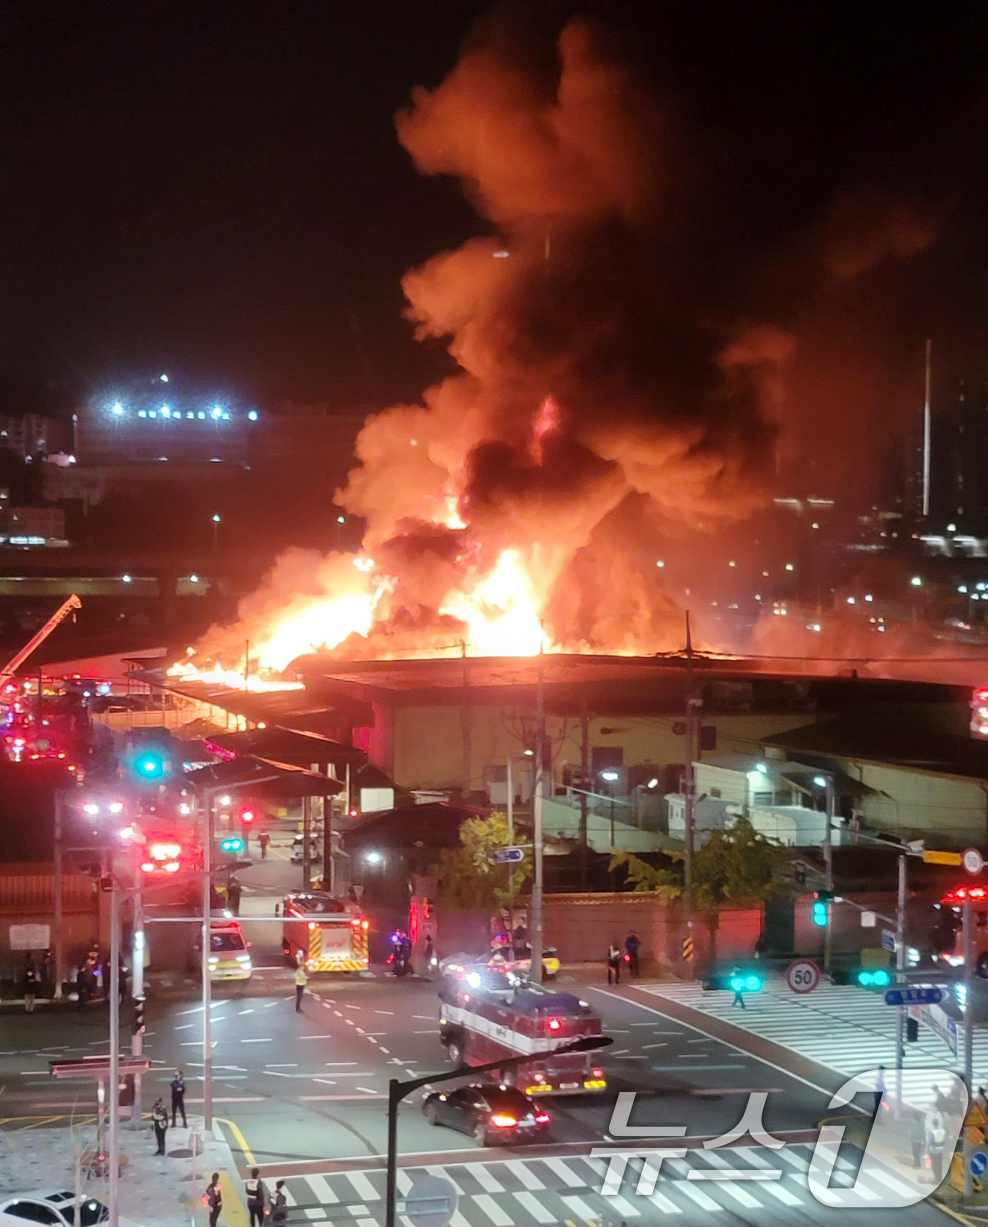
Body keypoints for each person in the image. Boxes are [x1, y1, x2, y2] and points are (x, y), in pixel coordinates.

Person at [926, 1110, 947, 1183]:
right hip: (941, 1150)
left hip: (934, 1151)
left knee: (934, 1165)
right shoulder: (942, 1131)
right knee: (939, 1165)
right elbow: (944, 1140)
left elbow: (928, 1143)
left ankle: (936, 1179)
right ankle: (939, 1178)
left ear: (933, 1124)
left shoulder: (932, 1132)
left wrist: (927, 1152)